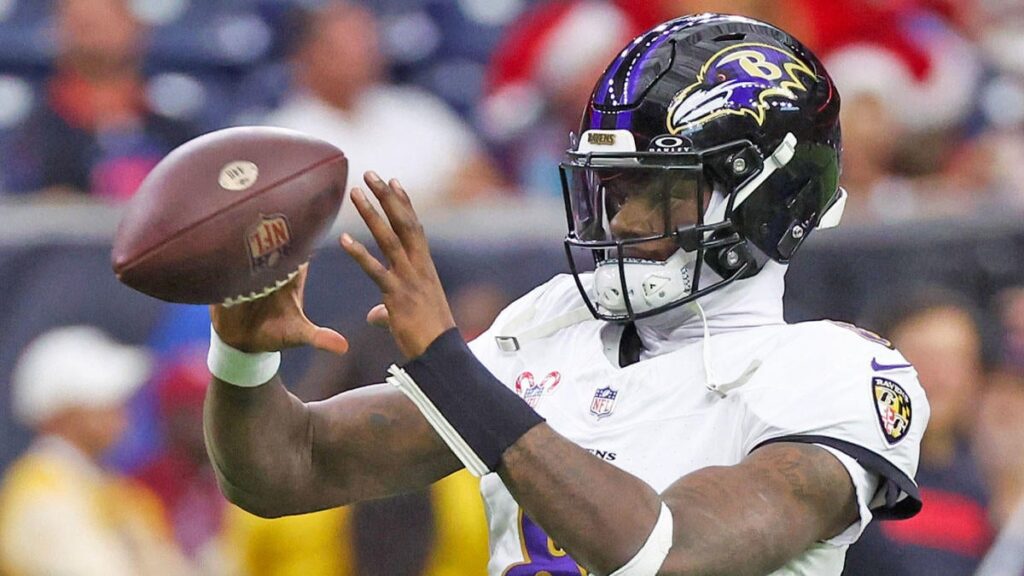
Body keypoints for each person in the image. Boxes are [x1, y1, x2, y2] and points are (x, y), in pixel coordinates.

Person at [204, 14, 928, 576]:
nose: (626, 221)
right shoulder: (554, 325)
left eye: (662, 193)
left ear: (769, 198)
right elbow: (290, 466)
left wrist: (448, 364)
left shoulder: (837, 374)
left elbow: (663, 552)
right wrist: (241, 358)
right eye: (614, 189)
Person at [265, 1, 505, 210]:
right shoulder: (282, 136)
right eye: (343, 46)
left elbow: (483, 180)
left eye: (364, 41)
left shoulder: (417, 110)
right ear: (306, 56)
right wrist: (433, 199)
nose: (360, 54)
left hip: (439, 259)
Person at [0, 326, 195, 576]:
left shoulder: (98, 486)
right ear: (65, 412)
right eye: (106, 399)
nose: (121, 408)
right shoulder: (40, 498)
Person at [843, 289, 992, 575]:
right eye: (925, 358)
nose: (941, 378)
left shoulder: (988, 485)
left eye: (956, 360)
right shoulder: (850, 474)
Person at [2, 0, 195, 200]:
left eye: (105, 19)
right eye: (83, 23)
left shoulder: (175, 134)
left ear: (136, 26)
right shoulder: (36, 137)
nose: (94, 35)